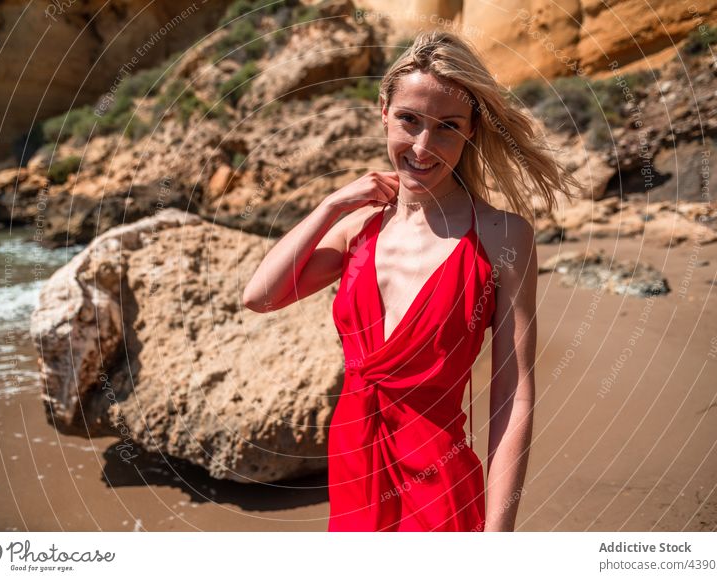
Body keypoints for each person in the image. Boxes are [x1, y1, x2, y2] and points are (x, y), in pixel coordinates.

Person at [243, 29, 579, 531]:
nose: (423, 145)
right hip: (354, 477)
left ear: (471, 130)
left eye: (446, 126)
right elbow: (261, 296)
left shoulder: (501, 236)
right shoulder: (358, 228)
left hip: (439, 489)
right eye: (409, 120)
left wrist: (498, 539)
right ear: (384, 111)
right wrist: (331, 204)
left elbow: (513, 394)